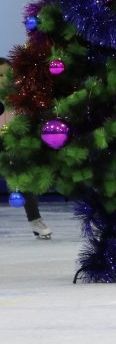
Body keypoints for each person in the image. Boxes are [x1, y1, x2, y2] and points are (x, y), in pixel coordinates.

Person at [0, 58, 52, 238]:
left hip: (14, 145)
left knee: (24, 181)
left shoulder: (21, 98)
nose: (3, 79)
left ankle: (35, 220)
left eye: (6, 74)